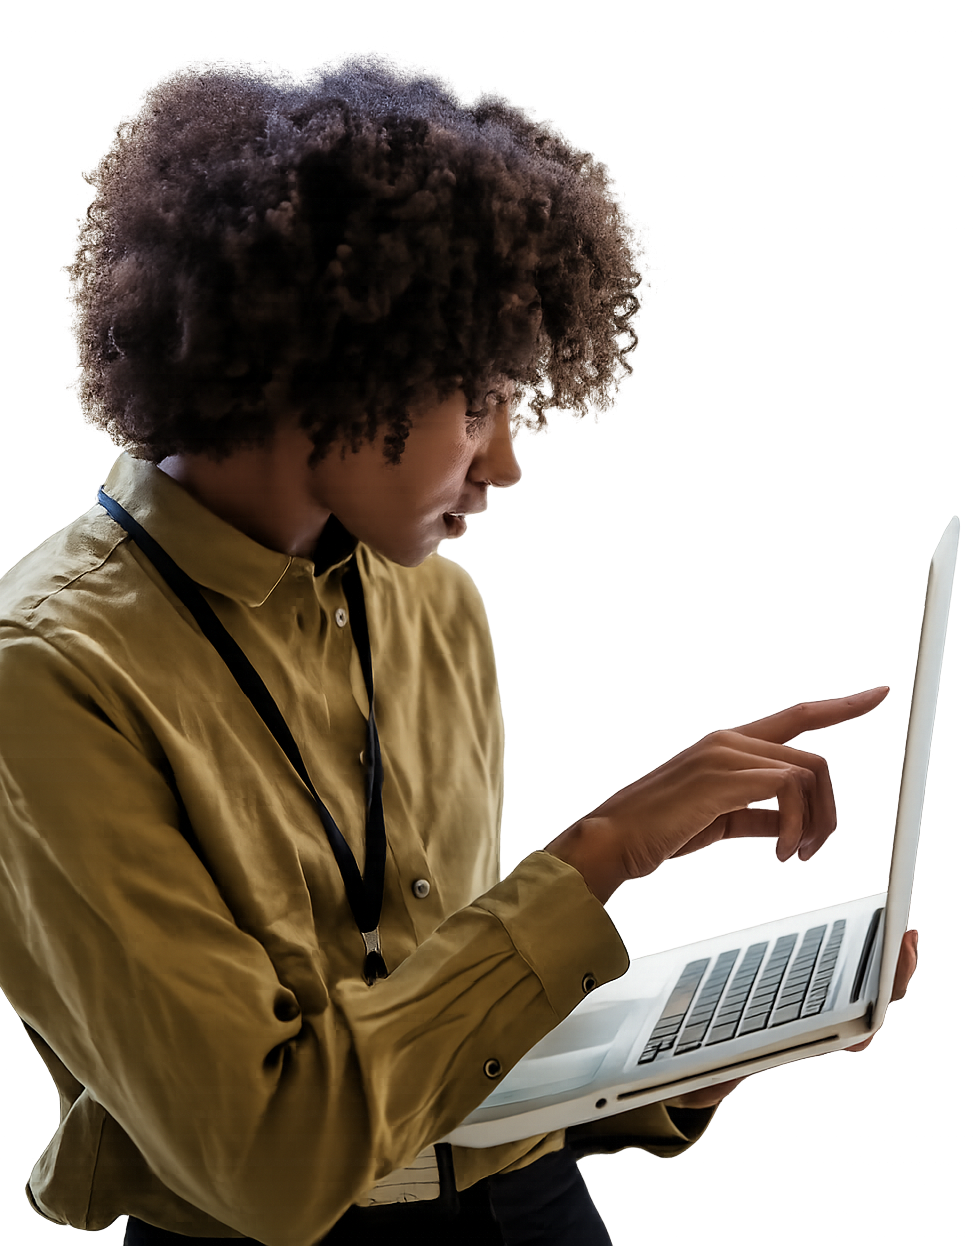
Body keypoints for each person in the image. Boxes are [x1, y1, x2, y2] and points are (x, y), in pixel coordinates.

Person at [0, 50, 917, 1246]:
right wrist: (599, 854)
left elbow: (443, 1030)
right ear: (335, 359)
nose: (505, 460)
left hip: (536, 1208)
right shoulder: (43, 671)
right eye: (477, 397)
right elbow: (276, 1161)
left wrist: (665, 1059)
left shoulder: (438, 605)